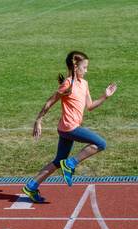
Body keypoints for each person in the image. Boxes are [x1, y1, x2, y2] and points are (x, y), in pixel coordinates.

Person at [22, 51, 117, 203]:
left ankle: (32, 186)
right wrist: (38, 121)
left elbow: (90, 106)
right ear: (75, 68)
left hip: (66, 129)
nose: (86, 71)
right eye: (84, 67)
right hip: (69, 128)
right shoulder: (68, 84)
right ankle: (70, 164)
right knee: (101, 144)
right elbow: (49, 102)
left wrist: (105, 96)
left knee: (59, 160)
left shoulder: (84, 84)